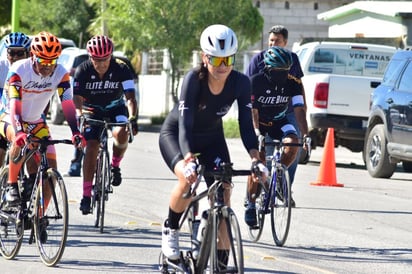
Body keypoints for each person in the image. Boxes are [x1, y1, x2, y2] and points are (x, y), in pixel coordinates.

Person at [158, 24, 268, 262]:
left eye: (228, 60)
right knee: (187, 182)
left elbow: (246, 127)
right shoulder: (193, 80)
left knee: (224, 192)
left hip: (212, 139)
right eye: (216, 60)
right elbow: (185, 124)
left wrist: (255, 160)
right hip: (177, 136)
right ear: (204, 58)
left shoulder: (241, 82)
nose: (223, 67)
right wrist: (188, 159)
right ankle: (171, 228)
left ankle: (220, 262)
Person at [2, 31, 84, 206]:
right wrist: (18, 131)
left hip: (36, 121)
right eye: (43, 61)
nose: (47, 66)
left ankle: (38, 217)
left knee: (51, 168)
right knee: (19, 142)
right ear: (33, 56)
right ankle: (11, 186)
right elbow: (15, 103)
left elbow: (68, 103)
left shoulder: (61, 73)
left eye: (52, 61)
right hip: (9, 116)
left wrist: (76, 131)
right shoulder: (18, 69)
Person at [244, 46, 310, 227]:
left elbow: (299, 110)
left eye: (285, 71)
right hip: (260, 124)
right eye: (278, 71)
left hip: (279, 121)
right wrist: (257, 133)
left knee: (293, 142)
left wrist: (306, 134)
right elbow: (254, 112)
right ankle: (250, 203)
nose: (282, 75)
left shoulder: (293, 82)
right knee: (259, 162)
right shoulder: (256, 82)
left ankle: (279, 176)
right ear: (268, 68)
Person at [73, 35, 138, 215]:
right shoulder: (82, 70)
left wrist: (132, 117)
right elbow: (77, 97)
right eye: (96, 60)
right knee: (92, 145)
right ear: (90, 57)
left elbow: (130, 97)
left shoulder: (122, 68)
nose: (101, 64)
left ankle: (115, 166)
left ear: (111, 56)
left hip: (115, 107)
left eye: (105, 59)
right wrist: (79, 114)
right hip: (91, 109)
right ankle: (86, 195)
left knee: (121, 131)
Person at [0, 32, 31, 167]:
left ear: (28, 53)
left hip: (25, 111)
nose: (15, 57)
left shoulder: (31, 67)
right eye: (11, 53)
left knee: (33, 151)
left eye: (20, 54)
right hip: (4, 110)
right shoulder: (2, 66)